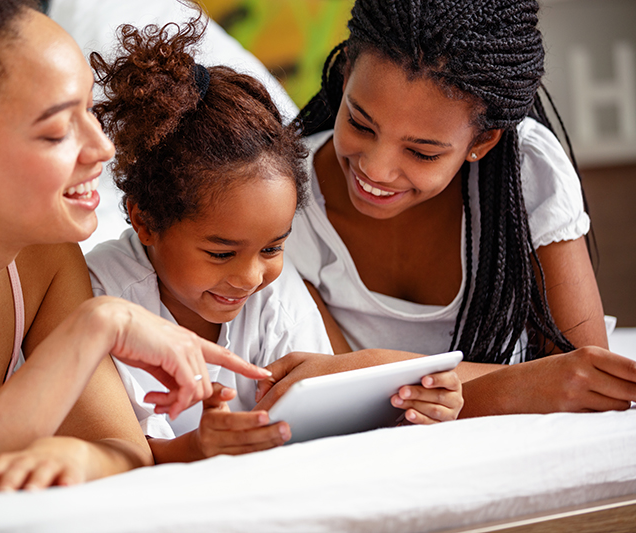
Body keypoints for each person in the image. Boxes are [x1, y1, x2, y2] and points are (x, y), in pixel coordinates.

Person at [0, 0, 271, 509]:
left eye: (89, 109)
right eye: (56, 131)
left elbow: (125, 451)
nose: (102, 149)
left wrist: (87, 460)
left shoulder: (44, 259)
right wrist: (96, 326)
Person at [85, 18, 464, 462]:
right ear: (144, 221)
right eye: (221, 252)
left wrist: (410, 410)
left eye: (272, 248)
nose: (250, 277)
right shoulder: (101, 294)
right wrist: (197, 449)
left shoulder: (276, 297)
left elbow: (327, 424)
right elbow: (111, 451)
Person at [254, 0, 636, 416]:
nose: (375, 169)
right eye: (361, 124)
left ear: (481, 143)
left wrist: (380, 371)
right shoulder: (283, 201)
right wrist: (510, 387)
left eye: (421, 153)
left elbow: (588, 379)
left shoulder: (528, 168)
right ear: (346, 74)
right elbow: (342, 394)